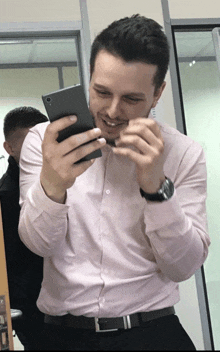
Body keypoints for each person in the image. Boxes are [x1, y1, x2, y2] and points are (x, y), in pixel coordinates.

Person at [18, 15, 210, 351]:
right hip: (62, 335)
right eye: (101, 92)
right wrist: (52, 184)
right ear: (89, 78)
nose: (112, 111)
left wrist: (156, 187)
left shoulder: (184, 153)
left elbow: (182, 268)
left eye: (132, 99)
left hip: (153, 331)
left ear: (157, 93)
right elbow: (39, 245)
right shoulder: (43, 141)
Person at [0, 106, 48, 350]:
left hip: (76, 305)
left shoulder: (70, 179)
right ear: (9, 148)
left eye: (43, 140)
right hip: (31, 308)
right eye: (30, 142)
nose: (39, 149)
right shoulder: (4, 195)